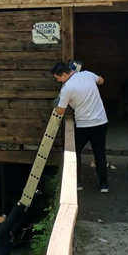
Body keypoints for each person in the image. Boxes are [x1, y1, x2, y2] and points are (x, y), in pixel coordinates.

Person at [50, 62, 109, 193]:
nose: (58, 80)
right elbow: (101, 80)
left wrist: (58, 102)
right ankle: (104, 185)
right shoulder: (88, 74)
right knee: (99, 152)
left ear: (64, 74)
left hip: (84, 125)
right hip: (101, 122)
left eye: (58, 78)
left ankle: (77, 183)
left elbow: (60, 111)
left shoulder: (67, 89)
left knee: (75, 152)